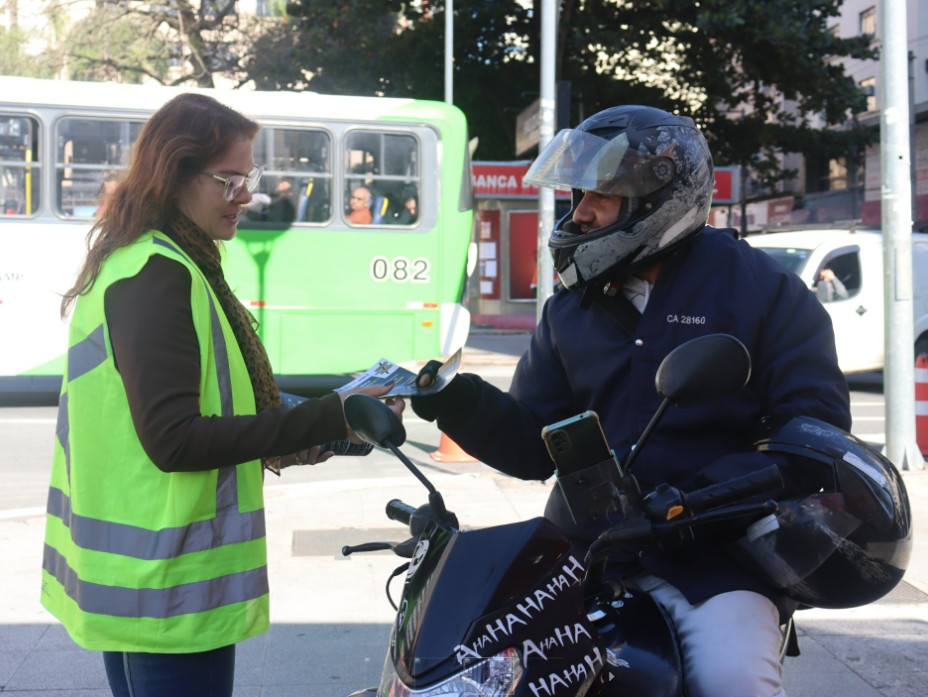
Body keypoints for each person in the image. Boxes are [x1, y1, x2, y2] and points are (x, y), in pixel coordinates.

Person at [411, 106, 850, 697]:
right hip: (584, 555)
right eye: (579, 193)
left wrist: (691, 499)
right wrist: (453, 400)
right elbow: (535, 444)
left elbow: (815, 436)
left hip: (716, 564)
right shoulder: (571, 308)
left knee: (731, 679)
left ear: (657, 197)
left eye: (601, 195)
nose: (580, 211)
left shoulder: (763, 292)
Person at [40, 93, 404, 697]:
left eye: (249, 177)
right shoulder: (160, 275)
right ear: (175, 174)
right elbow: (174, 439)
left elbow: (220, 401)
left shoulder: (161, 261)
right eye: (229, 179)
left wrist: (326, 421)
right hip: (171, 589)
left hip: (150, 584)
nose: (246, 194)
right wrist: (327, 416)